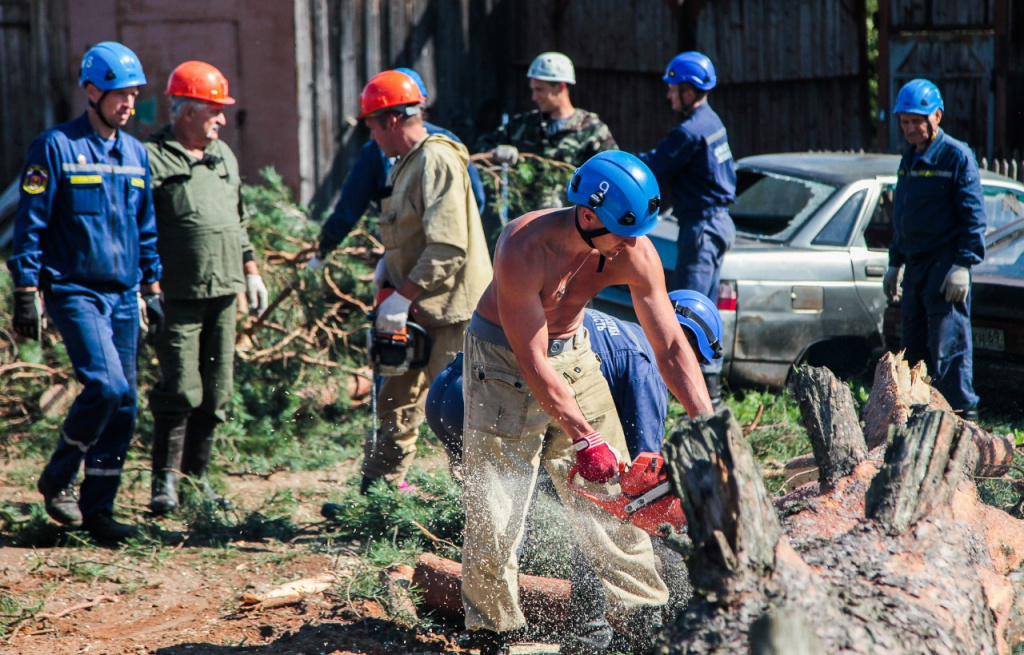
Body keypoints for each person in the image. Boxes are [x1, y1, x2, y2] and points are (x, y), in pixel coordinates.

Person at [460, 150, 713, 655]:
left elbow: (669, 346)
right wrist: (584, 435)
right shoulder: (522, 247)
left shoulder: (633, 251)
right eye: (624, 230)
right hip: (504, 364)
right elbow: (532, 362)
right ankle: (495, 631)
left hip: (574, 352)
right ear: (590, 215)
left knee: (620, 496)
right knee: (496, 506)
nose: (633, 242)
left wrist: (710, 426)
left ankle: (644, 620)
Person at [427, 295, 722, 654]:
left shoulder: (616, 331)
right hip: (504, 393)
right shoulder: (645, 364)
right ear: (688, 342)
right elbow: (643, 478)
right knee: (596, 515)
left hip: (454, 388)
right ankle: (593, 635)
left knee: (497, 514)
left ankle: (491, 633)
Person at [7, 42, 163, 544]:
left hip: (122, 295)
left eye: (134, 95)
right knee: (107, 387)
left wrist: (153, 286)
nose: (129, 105)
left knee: (127, 405)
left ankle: (98, 508)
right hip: (73, 290)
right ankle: (58, 477)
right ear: (92, 91)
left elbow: (146, 230)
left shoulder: (135, 154)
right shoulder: (54, 149)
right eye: (120, 94)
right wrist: (25, 289)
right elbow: (30, 224)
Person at [357, 70, 492, 492]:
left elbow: (450, 247)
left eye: (372, 127)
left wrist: (402, 295)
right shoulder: (405, 165)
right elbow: (413, 235)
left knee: (459, 414)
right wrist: (388, 268)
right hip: (414, 311)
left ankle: (475, 510)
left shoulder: (435, 159)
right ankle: (379, 495)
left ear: (392, 121)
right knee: (393, 404)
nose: (371, 137)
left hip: (451, 314)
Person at [143, 60, 268, 515]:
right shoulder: (152, 157)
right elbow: (138, 225)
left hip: (223, 292)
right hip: (176, 294)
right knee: (179, 387)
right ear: (187, 111)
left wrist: (251, 270)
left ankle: (197, 483)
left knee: (217, 391)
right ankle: (164, 486)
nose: (222, 119)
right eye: (214, 110)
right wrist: (147, 287)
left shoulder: (223, 156)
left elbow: (239, 220)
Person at [309, 68, 485, 269]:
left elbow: (472, 203)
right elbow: (350, 205)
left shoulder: (440, 151)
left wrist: (447, 241)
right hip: (406, 263)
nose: (373, 136)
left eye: (373, 128)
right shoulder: (377, 152)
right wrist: (324, 249)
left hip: (438, 268)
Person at [638, 51, 736, 407]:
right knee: (706, 309)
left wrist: (622, 163)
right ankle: (710, 394)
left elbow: (656, 165)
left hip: (701, 228)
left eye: (673, 89)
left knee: (687, 314)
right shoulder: (712, 122)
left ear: (690, 91)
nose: (668, 96)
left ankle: (695, 397)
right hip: (718, 223)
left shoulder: (689, 132)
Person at [884, 79, 985, 420]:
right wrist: (895, 262)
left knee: (948, 348)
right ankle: (917, 417)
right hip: (914, 265)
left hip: (945, 267)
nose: (910, 129)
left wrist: (963, 265)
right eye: (905, 122)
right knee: (913, 346)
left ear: (937, 116)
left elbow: (973, 217)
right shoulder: (909, 158)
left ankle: (961, 417)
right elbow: (902, 216)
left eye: (917, 121)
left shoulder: (956, 157)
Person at [477, 52, 617, 169]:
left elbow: (613, 171)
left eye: (539, 90)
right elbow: (479, 151)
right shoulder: (524, 125)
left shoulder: (591, 130)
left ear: (560, 87)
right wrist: (496, 154)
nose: (534, 97)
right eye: (532, 90)